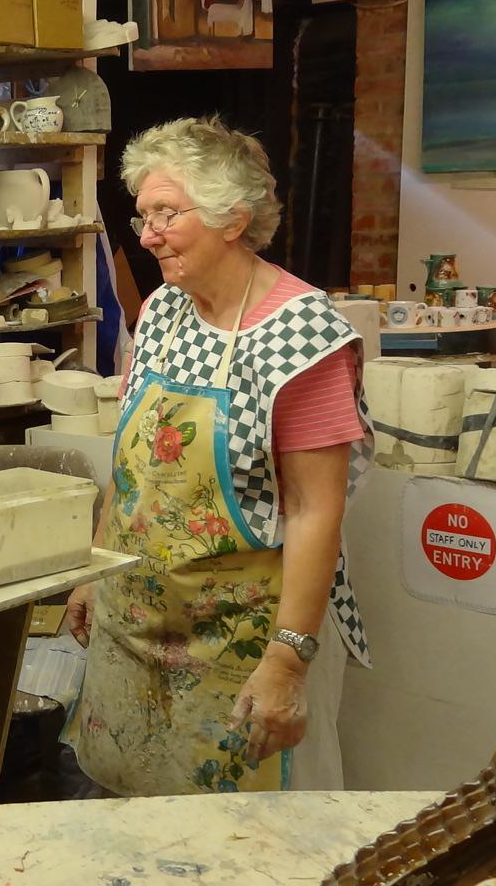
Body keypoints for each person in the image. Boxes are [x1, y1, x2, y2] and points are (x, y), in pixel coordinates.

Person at [65, 117, 371, 796]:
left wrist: (288, 661)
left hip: (246, 640)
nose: (146, 236)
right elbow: (131, 461)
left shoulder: (303, 335)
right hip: (137, 625)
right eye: (143, 216)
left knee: (246, 843)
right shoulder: (166, 311)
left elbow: (317, 510)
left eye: (165, 214)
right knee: (132, 828)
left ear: (232, 219)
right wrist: (93, 572)